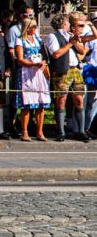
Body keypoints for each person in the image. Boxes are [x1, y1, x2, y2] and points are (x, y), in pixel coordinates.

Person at [45, 13, 89, 142]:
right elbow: (55, 54)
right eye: (68, 22)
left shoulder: (70, 35)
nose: (70, 24)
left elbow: (82, 51)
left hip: (75, 69)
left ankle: (81, 131)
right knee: (61, 100)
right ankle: (61, 132)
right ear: (64, 23)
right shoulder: (52, 36)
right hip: (62, 71)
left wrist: (75, 42)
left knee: (79, 99)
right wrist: (70, 44)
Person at [14, 18, 50, 141]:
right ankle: (24, 131)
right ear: (27, 27)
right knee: (27, 104)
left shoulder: (38, 40)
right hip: (26, 73)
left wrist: (43, 63)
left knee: (40, 103)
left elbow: (44, 55)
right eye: (34, 26)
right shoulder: (20, 40)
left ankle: (40, 132)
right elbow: (20, 59)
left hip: (38, 73)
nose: (36, 29)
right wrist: (33, 64)